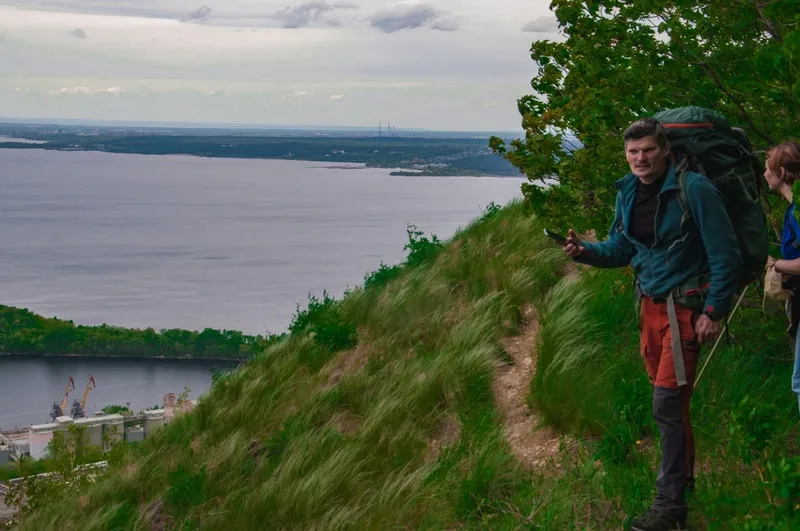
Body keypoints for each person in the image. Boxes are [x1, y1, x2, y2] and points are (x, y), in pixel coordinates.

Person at [561, 118, 742, 531]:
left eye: (647, 150)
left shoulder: (694, 189)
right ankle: (686, 483)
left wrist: (713, 311)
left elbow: (725, 252)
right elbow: (622, 247)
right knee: (672, 406)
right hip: (649, 307)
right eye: (632, 152)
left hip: (685, 309)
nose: (640, 159)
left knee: (665, 405)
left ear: (665, 149)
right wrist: (584, 251)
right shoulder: (628, 192)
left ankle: (669, 509)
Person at [762, 141, 800, 412]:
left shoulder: (798, 210)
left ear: (783, 171)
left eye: (768, 167)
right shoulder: (792, 209)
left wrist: (775, 264)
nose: (764, 173)